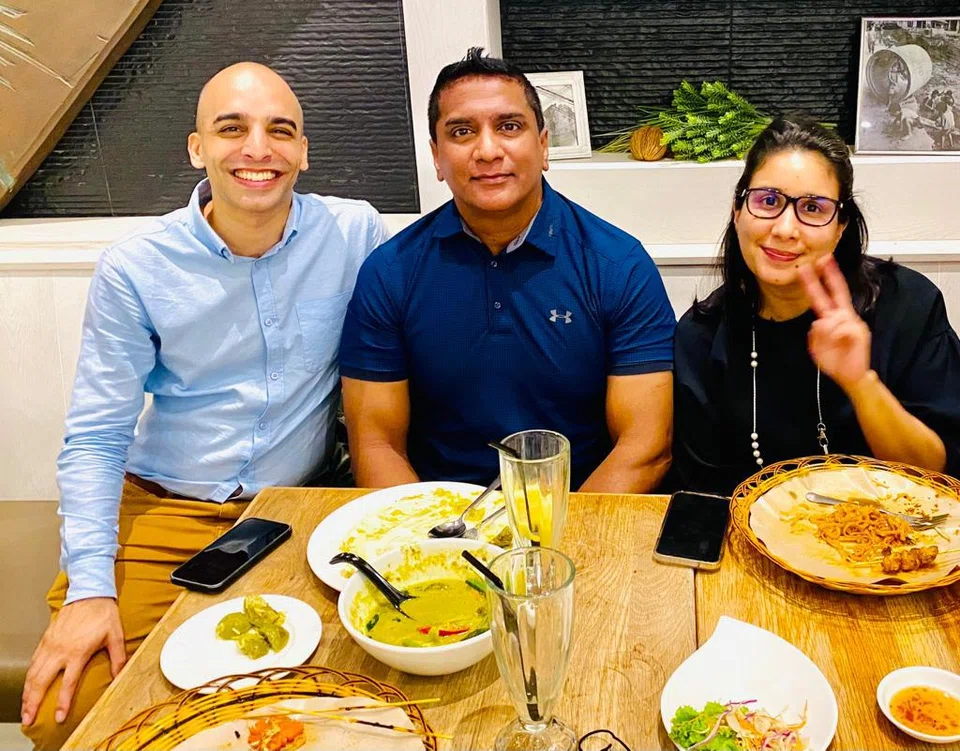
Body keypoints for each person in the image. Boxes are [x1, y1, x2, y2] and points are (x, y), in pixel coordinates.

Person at [20, 62, 388, 749]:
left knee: (340, 700)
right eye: (232, 129)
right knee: (68, 715)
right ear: (197, 148)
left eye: (280, 130)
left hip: (294, 506)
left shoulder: (354, 232)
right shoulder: (137, 268)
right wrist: (89, 588)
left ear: (303, 151)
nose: (258, 148)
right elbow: (96, 437)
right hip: (164, 504)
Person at [339, 48, 675, 493]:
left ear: (543, 145)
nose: (487, 150)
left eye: (509, 127)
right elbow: (376, 445)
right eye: (462, 131)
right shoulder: (389, 273)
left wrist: (559, 540)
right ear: (437, 158)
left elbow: (644, 448)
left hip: (581, 509)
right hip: (437, 518)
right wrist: (426, 542)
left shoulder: (618, 266)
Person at [673, 118, 960, 495]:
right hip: (754, 539)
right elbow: (705, 493)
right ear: (738, 210)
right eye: (769, 201)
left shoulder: (908, 305)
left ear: (841, 225)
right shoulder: (701, 336)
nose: (785, 228)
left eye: (812, 207)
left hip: (898, 537)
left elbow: (939, 475)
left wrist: (862, 385)